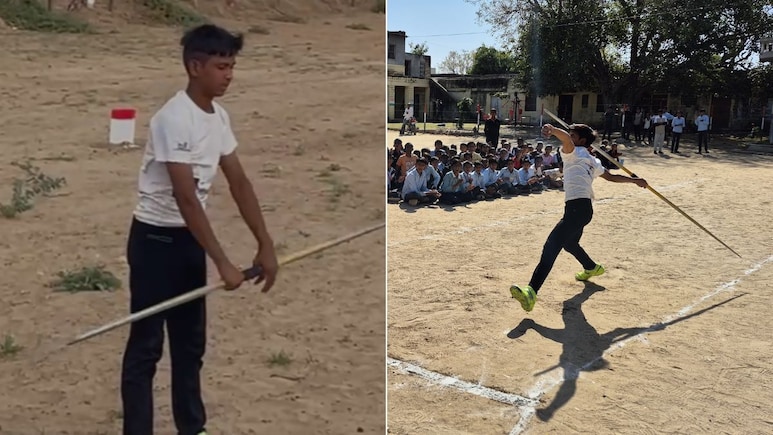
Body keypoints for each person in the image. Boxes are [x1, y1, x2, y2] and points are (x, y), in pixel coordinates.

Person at [121, 24, 280, 435]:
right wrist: (224, 263)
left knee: (190, 349)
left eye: (232, 66)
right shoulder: (172, 118)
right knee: (146, 349)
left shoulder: (218, 116)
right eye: (221, 66)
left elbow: (239, 182)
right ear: (195, 66)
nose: (228, 75)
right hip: (155, 241)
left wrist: (265, 244)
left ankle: (192, 428)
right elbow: (186, 198)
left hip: (187, 243)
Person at [509, 123, 648, 312]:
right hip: (582, 210)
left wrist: (553, 130)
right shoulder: (592, 160)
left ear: (581, 140)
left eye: (573, 135)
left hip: (577, 210)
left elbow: (565, 139)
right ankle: (591, 267)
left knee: (552, 246)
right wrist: (634, 181)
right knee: (570, 244)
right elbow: (611, 177)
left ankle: (531, 291)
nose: (569, 138)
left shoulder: (573, 153)